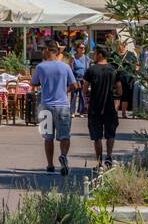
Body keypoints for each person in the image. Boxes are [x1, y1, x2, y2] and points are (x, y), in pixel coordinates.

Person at [32, 39, 78, 176]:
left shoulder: (40, 67)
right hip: (62, 105)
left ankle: (50, 165)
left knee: (48, 138)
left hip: (46, 105)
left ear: (47, 50)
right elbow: (75, 85)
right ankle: (63, 155)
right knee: (65, 136)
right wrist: (65, 90)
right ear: (57, 51)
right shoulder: (65, 67)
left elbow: (34, 83)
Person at [84, 44, 121, 173]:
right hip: (110, 106)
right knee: (110, 134)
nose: (93, 56)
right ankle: (109, 156)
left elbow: (84, 89)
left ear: (100, 54)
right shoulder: (114, 70)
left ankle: (99, 163)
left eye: (94, 53)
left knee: (97, 136)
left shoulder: (91, 70)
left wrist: (90, 93)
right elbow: (120, 90)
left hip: (95, 107)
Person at [70, 41, 89, 115]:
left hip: (83, 79)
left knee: (82, 95)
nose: (83, 49)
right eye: (81, 48)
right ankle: (72, 112)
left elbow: (88, 70)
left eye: (84, 48)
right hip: (75, 79)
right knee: (74, 95)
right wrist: (71, 63)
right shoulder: (73, 58)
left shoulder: (87, 59)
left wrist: (86, 80)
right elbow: (71, 69)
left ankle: (81, 112)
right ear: (77, 49)